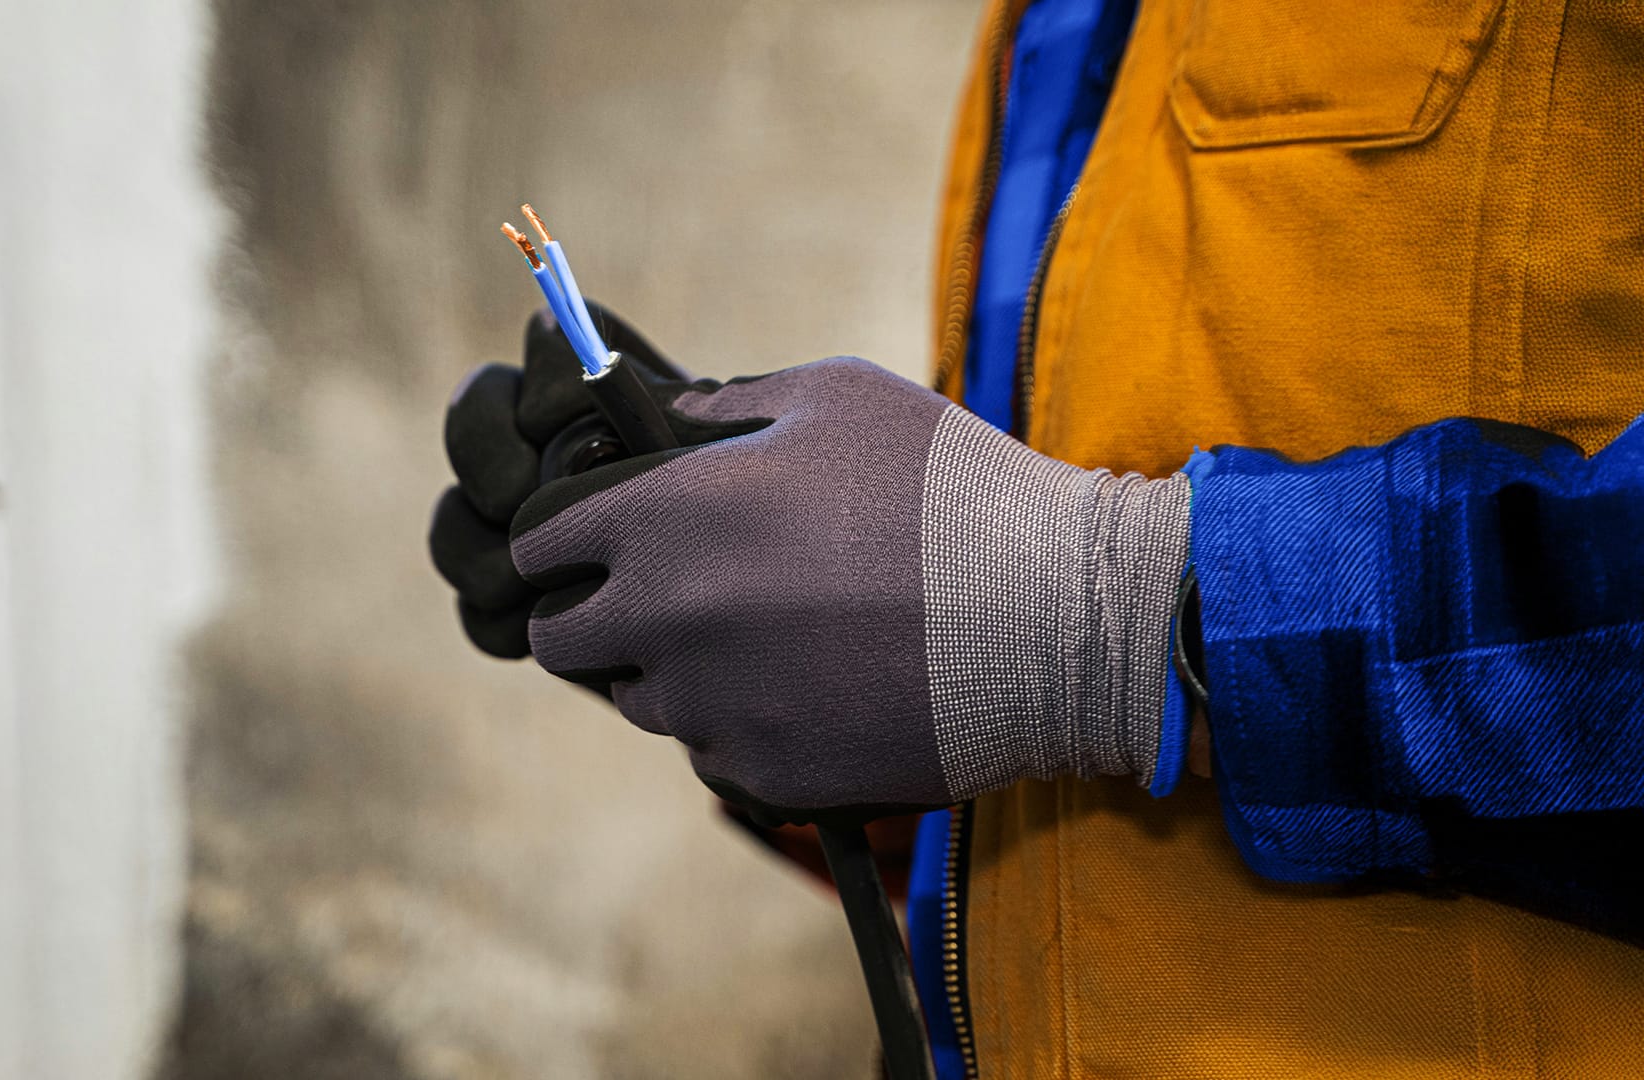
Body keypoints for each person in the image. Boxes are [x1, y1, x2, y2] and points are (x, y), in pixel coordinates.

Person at [431, 0, 1644, 1074]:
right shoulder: (1060, 26)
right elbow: (1080, 802)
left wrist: (1110, 619)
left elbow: (1091, 635)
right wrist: (763, 620)